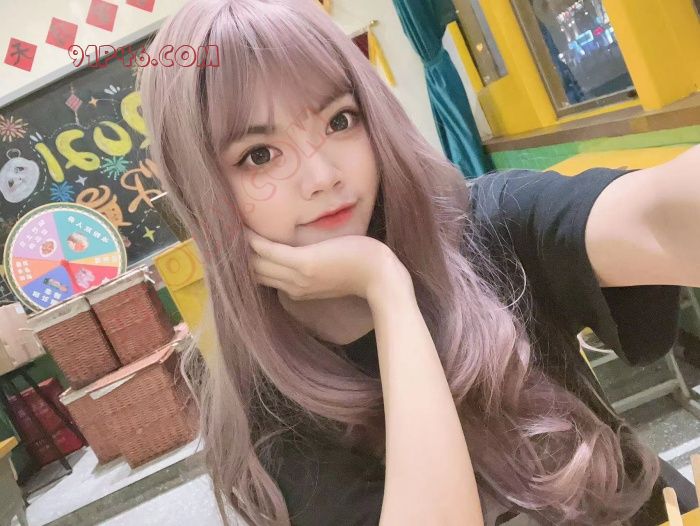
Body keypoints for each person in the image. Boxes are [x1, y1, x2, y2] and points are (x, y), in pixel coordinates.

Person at [136, 1, 699, 524]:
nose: (323, 177)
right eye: (259, 155)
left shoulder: (482, 228)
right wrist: (386, 289)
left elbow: (659, 216)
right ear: (202, 190)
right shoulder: (268, 411)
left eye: (339, 121)